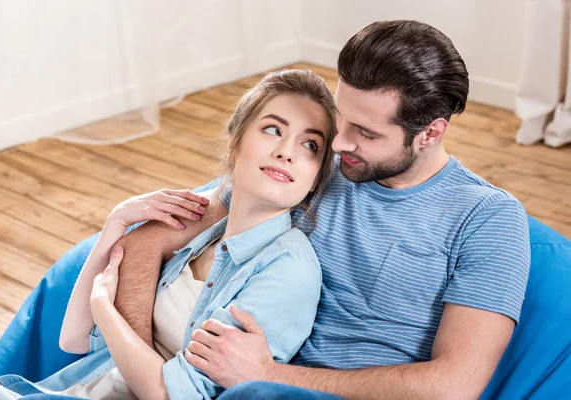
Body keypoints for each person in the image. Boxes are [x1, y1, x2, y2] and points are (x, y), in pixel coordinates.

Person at [112, 20, 531, 400]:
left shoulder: (488, 219)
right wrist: (144, 370)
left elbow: (454, 386)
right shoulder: (313, 169)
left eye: (365, 132)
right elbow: (149, 240)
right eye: (341, 117)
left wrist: (267, 374)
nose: (339, 142)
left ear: (430, 133)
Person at [0, 69, 340, 399]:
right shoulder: (199, 238)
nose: (286, 152)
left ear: (315, 178)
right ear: (236, 141)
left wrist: (105, 308)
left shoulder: (288, 269)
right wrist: (116, 223)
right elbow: (74, 339)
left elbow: (172, 395)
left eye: (311, 145)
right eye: (273, 129)